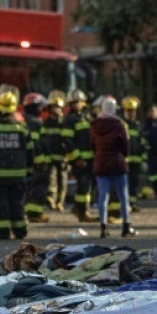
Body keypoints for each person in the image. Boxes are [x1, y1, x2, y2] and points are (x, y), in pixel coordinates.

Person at [0, 90, 33, 239]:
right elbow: (30, 151)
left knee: (0, 203)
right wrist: (29, 170)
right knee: (17, 203)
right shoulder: (21, 128)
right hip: (18, 174)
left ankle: (2, 232)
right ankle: (20, 231)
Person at [90, 97, 135, 238]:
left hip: (100, 164)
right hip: (117, 163)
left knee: (103, 196)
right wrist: (123, 156)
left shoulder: (94, 125)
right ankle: (126, 226)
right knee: (123, 196)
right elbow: (125, 146)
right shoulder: (119, 124)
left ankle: (103, 227)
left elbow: (92, 145)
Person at [63, 89, 98, 222]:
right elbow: (67, 141)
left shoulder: (86, 117)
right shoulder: (69, 120)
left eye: (78, 102)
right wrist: (78, 158)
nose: (76, 105)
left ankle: (78, 208)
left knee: (87, 185)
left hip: (89, 158)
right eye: (73, 103)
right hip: (78, 160)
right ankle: (83, 212)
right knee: (83, 185)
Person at [22, 93, 51, 223]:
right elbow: (35, 144)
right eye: (39, 106)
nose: (42, 109)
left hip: (31, 161)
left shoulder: (26, 120)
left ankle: (31, 213)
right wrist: (39, 160)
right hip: (37, 162)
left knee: (31, 187)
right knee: (38, 187)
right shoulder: (33, 122)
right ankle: (34, 214)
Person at [42, 90, 68, 210]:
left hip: (63, 156)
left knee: (62, 180)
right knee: (51, 179)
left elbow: (68, 140)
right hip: (50, 156)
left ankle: (60, 202)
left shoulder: (64, 123)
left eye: (58, 107)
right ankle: (51, 199)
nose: (56, 109)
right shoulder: (46, 123)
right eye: (54, 107)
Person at [121, 95, 147, 212]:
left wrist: (144, 160)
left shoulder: (138, 126)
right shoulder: (121, 125)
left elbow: (143, 144)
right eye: (129, 111)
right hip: (124, 160)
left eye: (133, 111)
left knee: (134, 184)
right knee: (124, 184)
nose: (131, 113)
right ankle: (125, 203)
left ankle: (132, 203)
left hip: (136, 161)